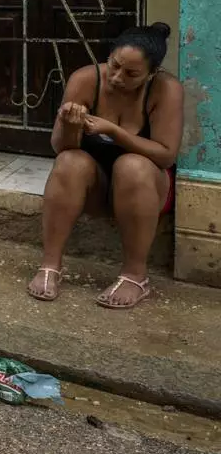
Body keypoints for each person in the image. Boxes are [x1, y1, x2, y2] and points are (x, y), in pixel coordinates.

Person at [27, 22, 183, 309]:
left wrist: (114, 131)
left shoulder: (166, 89)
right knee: (69, 161)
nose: (117, 77)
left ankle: (135, 276)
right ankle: (50, 265)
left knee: (132, 165)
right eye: (114, 65)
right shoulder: (86, 79)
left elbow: (165, 156)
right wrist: (69, 125)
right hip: (96, 189)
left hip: (146, 189)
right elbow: (60, 146)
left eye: (131, 74)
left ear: (151, 74)